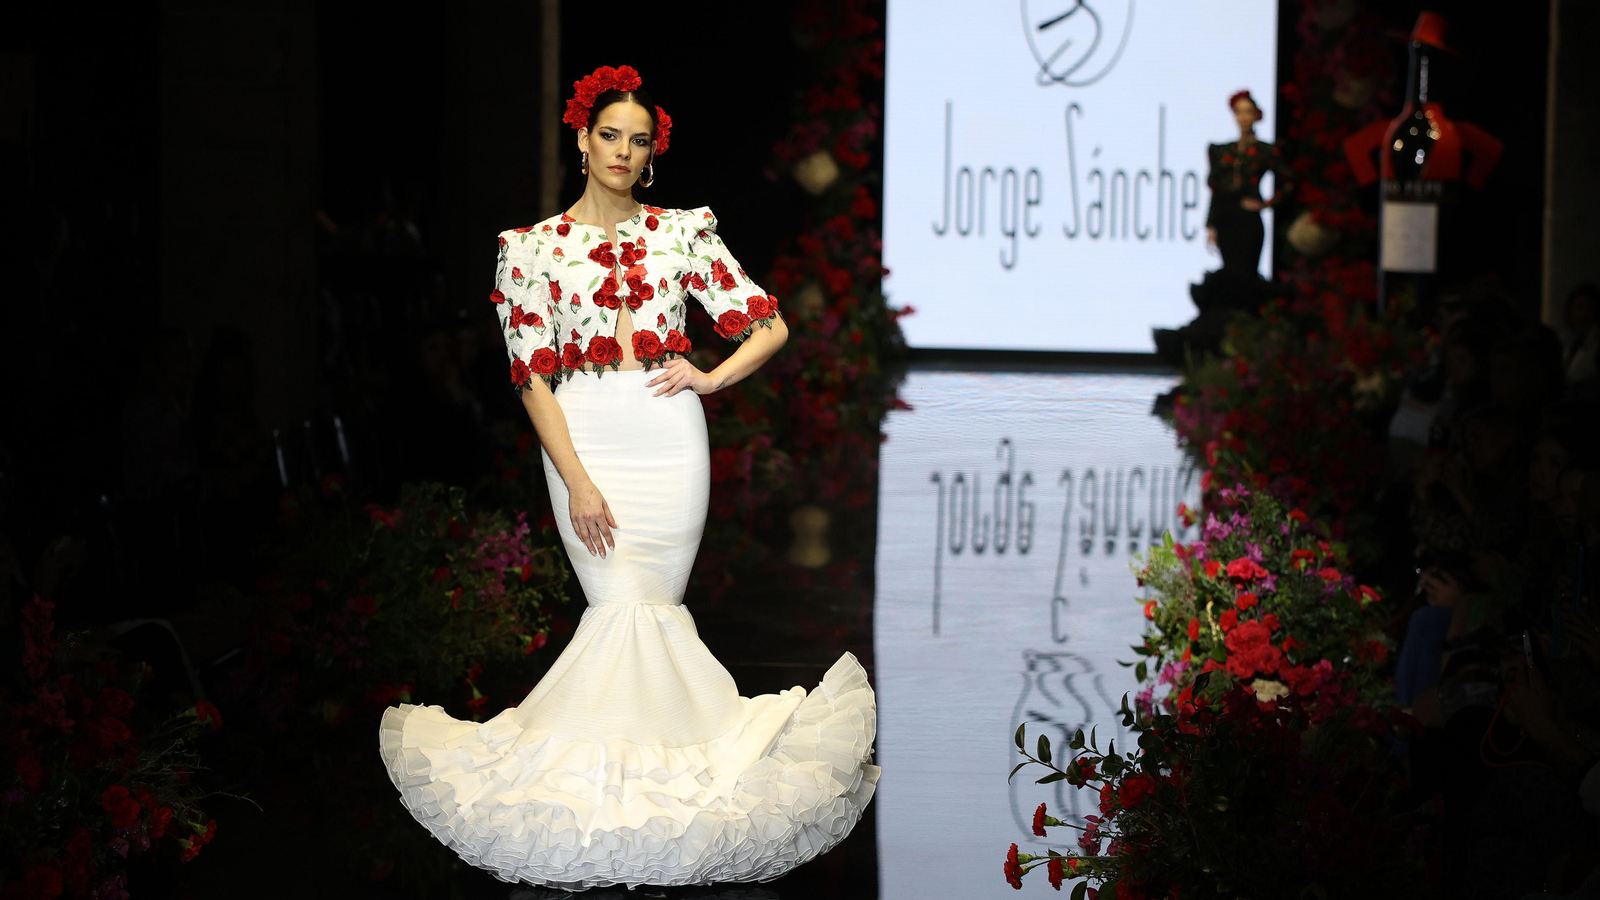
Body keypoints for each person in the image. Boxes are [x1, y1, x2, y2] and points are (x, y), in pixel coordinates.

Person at [376, 65, 880, 892]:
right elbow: (530, 379)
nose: (622, 149)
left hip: (668, 438)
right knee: (616, 607)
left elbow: (770, 324)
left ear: (651, 155)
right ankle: (615, 798)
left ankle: (661, 792)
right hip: (585, 443)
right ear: (581, 140)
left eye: (638, 139)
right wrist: (573, 478)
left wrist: (712, 379)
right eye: (608, 134)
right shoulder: (529, 249)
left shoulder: (682, 233)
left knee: (655, 609)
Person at [1205, 90, 1281, 275]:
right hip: (1226, 219)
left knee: (1247, 271)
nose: (1243, 117)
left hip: (1248, 220)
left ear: (1256, 115)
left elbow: (1289, 182)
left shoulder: (1264, 150)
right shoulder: (1223, 151)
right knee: (1229, 272)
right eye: (1239, 111)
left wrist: (1267, 204)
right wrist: (1211, 225)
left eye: (1248, 111)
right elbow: (1217, 190)